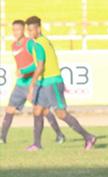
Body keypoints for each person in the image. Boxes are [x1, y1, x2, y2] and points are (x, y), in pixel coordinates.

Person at [25, 16, 96, 151]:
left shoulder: (40, 44)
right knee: (37, 110)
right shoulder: (41, 42)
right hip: (45, 82)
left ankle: (88, 137)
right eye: (28, 30)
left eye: (32, 30)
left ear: (38, 29)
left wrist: (31, 84)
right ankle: (37, 144)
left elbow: (40, 67)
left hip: (52, 82)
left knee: (61, 114)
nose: (29, 33)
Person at [1, 19, 64, 144]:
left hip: (32, 83)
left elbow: (36, 65)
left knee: (43, 110)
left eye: (18, 29)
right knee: (9, 109)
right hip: (21, 83)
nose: (15, 32)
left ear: (23, 30)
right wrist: (21, 72)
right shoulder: (13, 45)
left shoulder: (30, 43)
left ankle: (59, 134)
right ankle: (2, 137)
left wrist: (24, 71)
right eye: (13, 29)